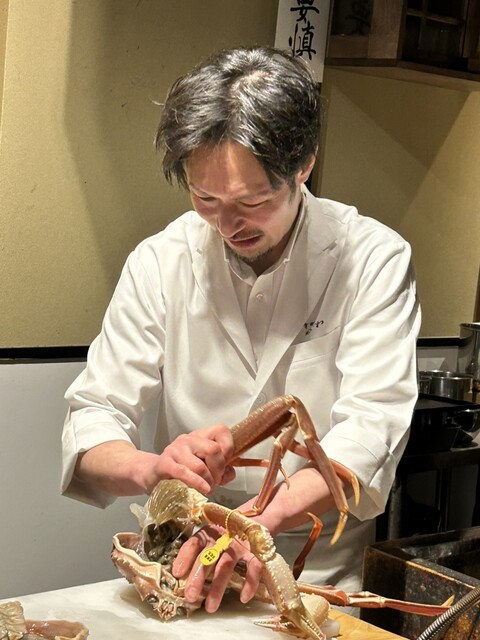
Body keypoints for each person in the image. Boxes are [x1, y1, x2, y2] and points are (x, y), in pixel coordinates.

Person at [61, 46, 420, 614]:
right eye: (205, 198)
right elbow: (95, 414)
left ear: (304, 165)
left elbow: (372, 427)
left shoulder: (372, 258)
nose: (228, 224)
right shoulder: (160, 260)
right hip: (183, 552)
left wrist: (256, 523)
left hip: (311, 562)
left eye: (253, 200)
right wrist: (152, 469)